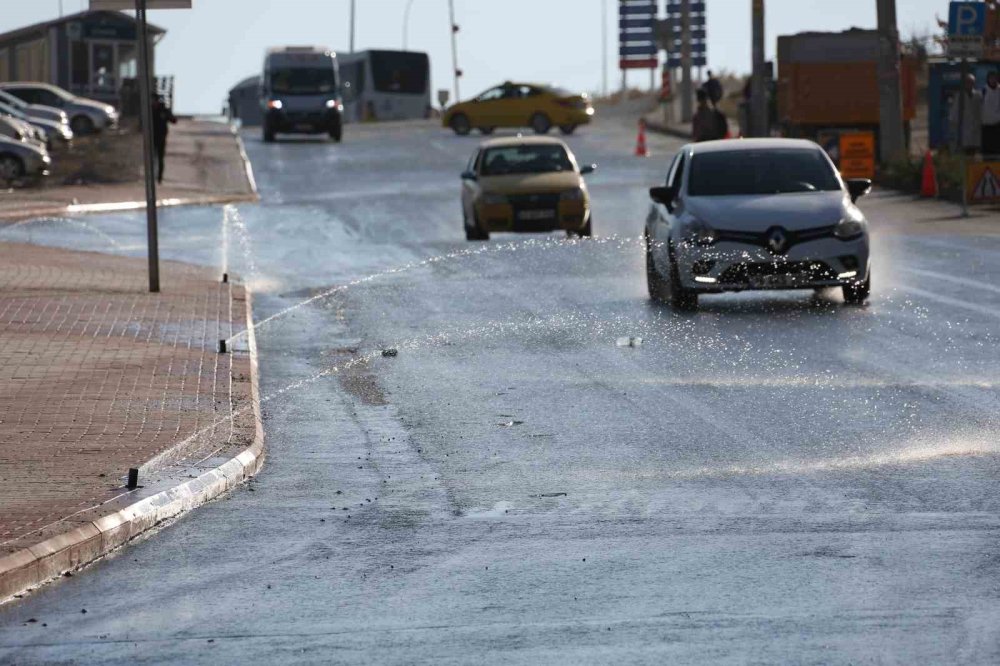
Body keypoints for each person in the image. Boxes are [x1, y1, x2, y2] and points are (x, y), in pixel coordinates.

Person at [950, 73, 982, 156]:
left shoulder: (978, 95)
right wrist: (954, 124)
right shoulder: (960, 96)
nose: (969, 84)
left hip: (975, 128)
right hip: (964, 128)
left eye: (971, 82)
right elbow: (954, 112)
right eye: (968, 82)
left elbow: (982, 110)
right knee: (964, 150)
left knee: (973, 151)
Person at [151, 94, 177, 184]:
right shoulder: (149, 110)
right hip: (151, 137)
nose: (153, 102)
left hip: (161, 136)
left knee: (160, 158)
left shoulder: (163, 109)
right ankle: (152, 176)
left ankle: (159, 178)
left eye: (154, 100)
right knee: (151, 158)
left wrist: (166, 116)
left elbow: (174, 120)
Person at [982, 71, 1000, 157]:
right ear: (988, 80)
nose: (993, 80)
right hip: (986, 126)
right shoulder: (983, 91)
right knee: (987, 152)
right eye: (991, 78)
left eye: (995, 78)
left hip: (997, 125)